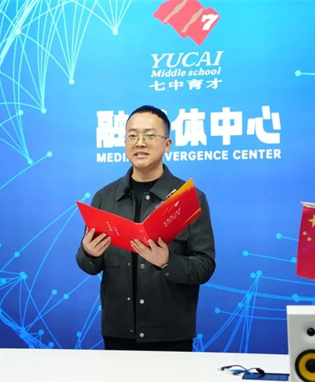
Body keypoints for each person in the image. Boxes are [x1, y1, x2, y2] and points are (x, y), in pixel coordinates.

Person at [76, 105, 216, 352]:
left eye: (150, 135)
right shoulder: (104, 198)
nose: (140, 142)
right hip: (117, 333)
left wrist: (167, 262)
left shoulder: (188, 199)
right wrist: (89, 253)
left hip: (171, 335)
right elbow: (89, 266)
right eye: (132, 135)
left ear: (167, 144)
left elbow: (205, 267)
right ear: (125, 142)